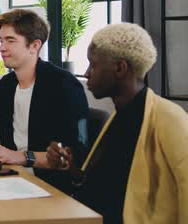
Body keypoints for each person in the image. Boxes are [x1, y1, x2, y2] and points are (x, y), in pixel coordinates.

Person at [47, 23, 188, 224]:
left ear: (120, 68)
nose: (87, 73)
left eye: (93, 64)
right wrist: (72, 169)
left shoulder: (169, 119)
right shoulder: (117, 117)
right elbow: (104, 191)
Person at [0, 9, 88, 193]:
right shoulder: (7, 85)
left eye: (10, 40)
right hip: (13, 179)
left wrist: (22, 156)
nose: (1, 47)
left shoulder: (63, 85)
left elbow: (72, 156)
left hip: (51, 187)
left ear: (34, 45)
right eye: (1, 40)